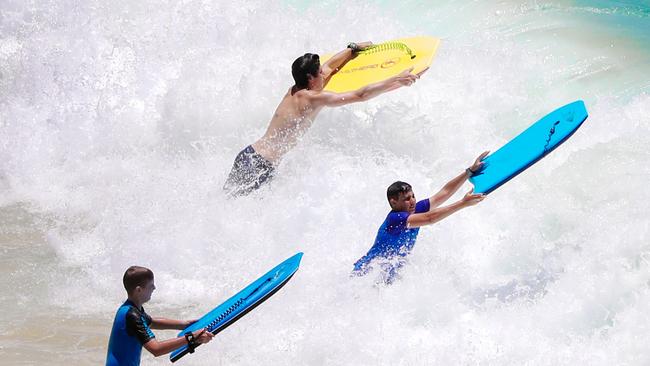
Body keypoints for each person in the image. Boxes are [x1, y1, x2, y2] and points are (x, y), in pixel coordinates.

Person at [223, 41, 426, 196]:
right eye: (319, 73)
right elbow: (360, 95)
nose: (324, 73)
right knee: (234, 210)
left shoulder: (295, 90)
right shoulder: (312, 99)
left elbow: (330, 66)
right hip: (259, 165)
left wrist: (353, 49)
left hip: (250, 156)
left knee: (227, 204)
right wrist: (394, 79)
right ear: (311, 78)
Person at [352, 152, 490, 284]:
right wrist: (462, 203)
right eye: (407, 199)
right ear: (394, 202)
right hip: (365, 275)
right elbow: (430, 218)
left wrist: (469, 172)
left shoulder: (415, 209)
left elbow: (444, 193)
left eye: (413, 196)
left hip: (385, 277)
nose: (412, 201)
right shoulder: (395, 218)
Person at [106, 266, 214, 366]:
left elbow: (152, 322)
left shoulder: (130, 308)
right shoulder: (132, 315)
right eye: (151, 285)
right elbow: (156, 349)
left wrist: (184, 324)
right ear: (139, 290)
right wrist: (191, 337)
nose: (154, 288)